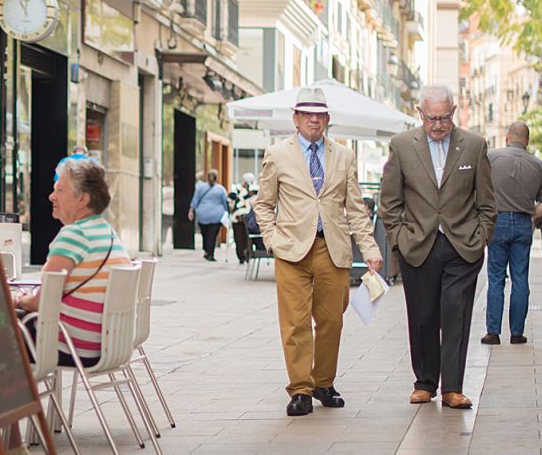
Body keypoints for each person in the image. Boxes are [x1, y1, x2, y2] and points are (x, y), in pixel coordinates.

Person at [0, 158, 131, 455]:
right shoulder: (107, 234)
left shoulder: (72, 236)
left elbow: (43, 302)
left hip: (72, 343)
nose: (51, 196)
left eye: (60, 189)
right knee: (10, 332)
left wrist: (19, 299)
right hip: (102, 341)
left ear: (82, 199)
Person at [254, 87, 381, 418]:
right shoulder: (277, 153)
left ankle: (323, 383)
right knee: (294, 323)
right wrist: (272, 239)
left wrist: (369, 246)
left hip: (332, 249)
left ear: (327, 119)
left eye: (320, 114)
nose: (314, 119)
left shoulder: (344, 155)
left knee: (330, 320)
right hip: (291, 251)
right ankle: (300, 389)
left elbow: (355, 208)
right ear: (295, 118)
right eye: (307, 114)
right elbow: (264, 204)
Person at [379, 86, 495, 410]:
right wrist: (398, 239)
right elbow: (389, 202)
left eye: (444, 117)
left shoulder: (474, 146)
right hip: (417, 244)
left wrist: (482, 235)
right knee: (423, 315)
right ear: (420, 113)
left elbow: (487, 201)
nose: (439, 124)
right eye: (432, 118)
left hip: (462, 246)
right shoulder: (402, 146)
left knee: (456, 315)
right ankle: (425, 382)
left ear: (454, 111)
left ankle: (453, 388)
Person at [481, 122, 542, 346]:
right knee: (520, 278)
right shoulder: (539, 165)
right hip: (523, 222)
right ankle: (516, 333)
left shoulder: (491, 158)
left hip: (497, 221)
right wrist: (531, 214)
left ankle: (493, 332)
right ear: (527, 140)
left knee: (495, 278)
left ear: (507, 137)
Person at [188, 170, 230, 261]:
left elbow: (195, 200)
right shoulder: (221, 189)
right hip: (216, 215)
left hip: (202, 215)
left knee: (205, 234)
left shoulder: (200, 187)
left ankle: (206, 250)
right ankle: (210, 254)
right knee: (212, 235)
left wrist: (191, 211)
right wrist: (227, 213)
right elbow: (225, 202)